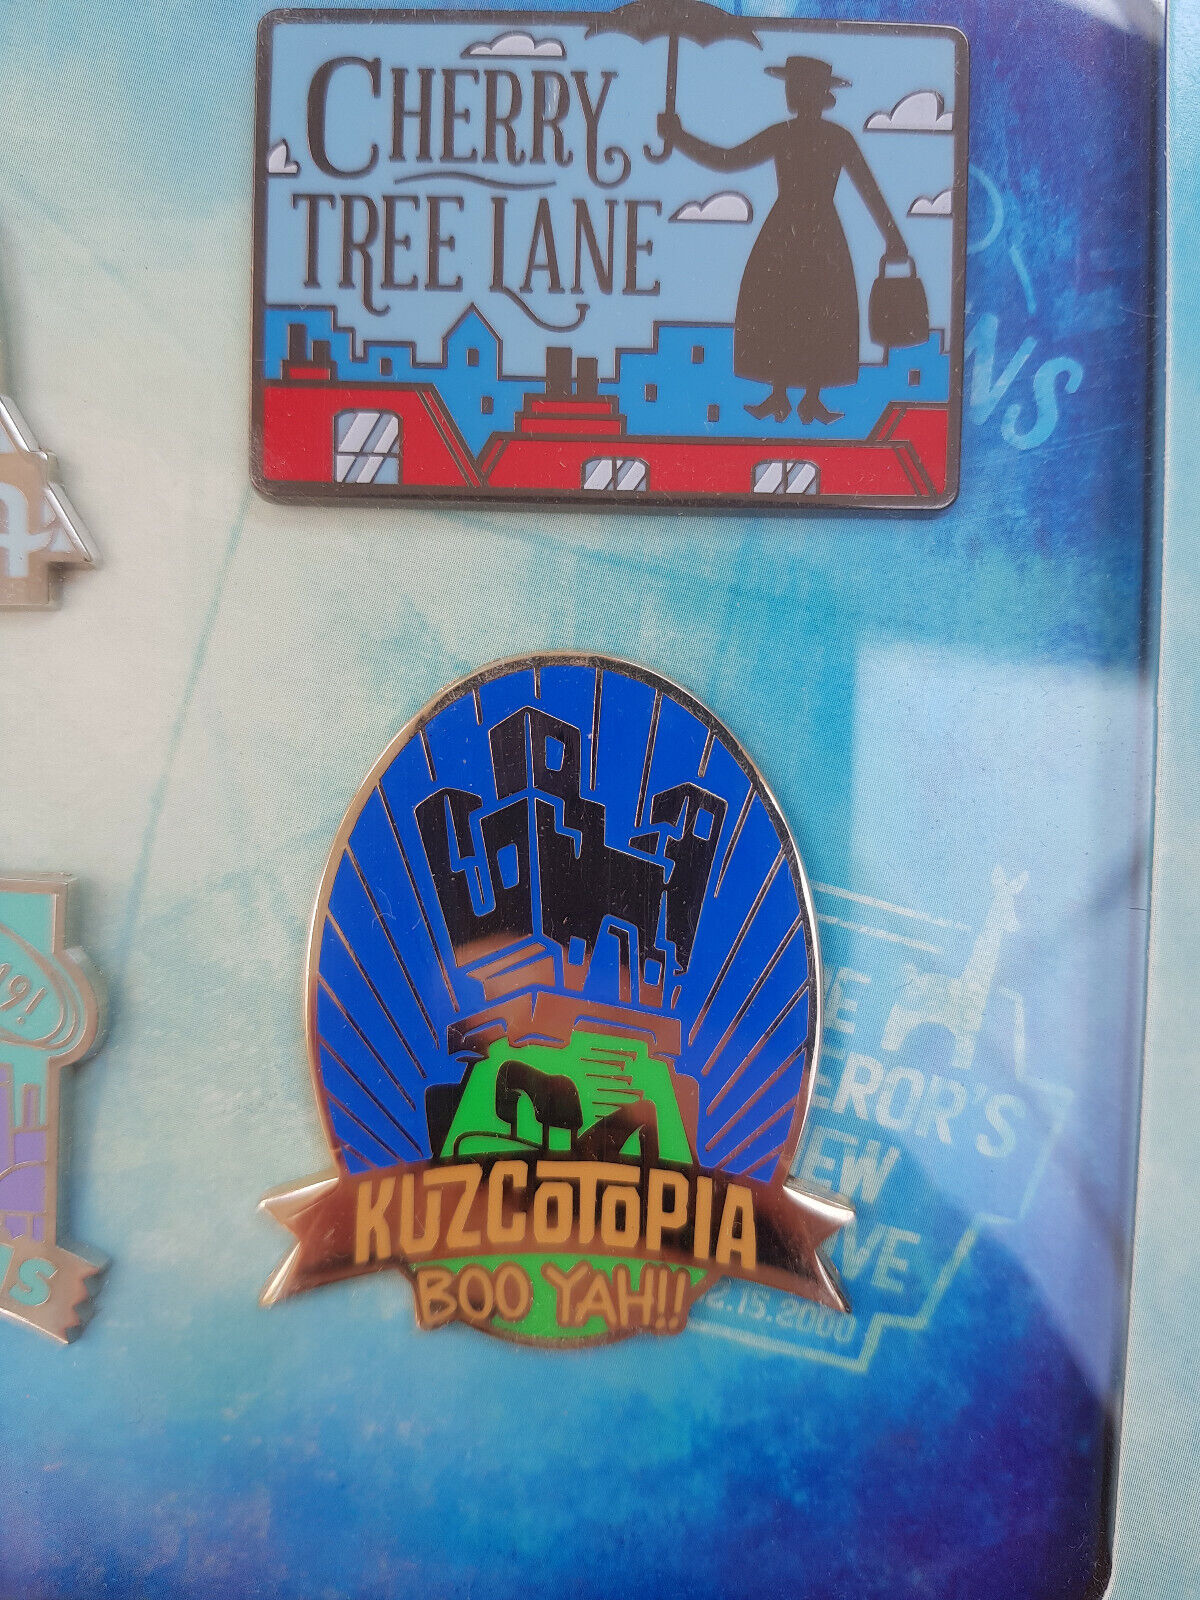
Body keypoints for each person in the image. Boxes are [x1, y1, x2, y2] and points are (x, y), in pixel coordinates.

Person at [659, 56, 909, 425]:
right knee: (779, 308)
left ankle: (810, 398)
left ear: (811, 92)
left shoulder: (834, 138)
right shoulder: (789, 134)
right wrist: (679, 137)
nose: (791, 93)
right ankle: (781, 396)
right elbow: (729, 159)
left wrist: (894, 237)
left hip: (808, 234)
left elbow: (868, 189)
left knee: (815, 310)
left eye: (796, 86)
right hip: (798, 233)